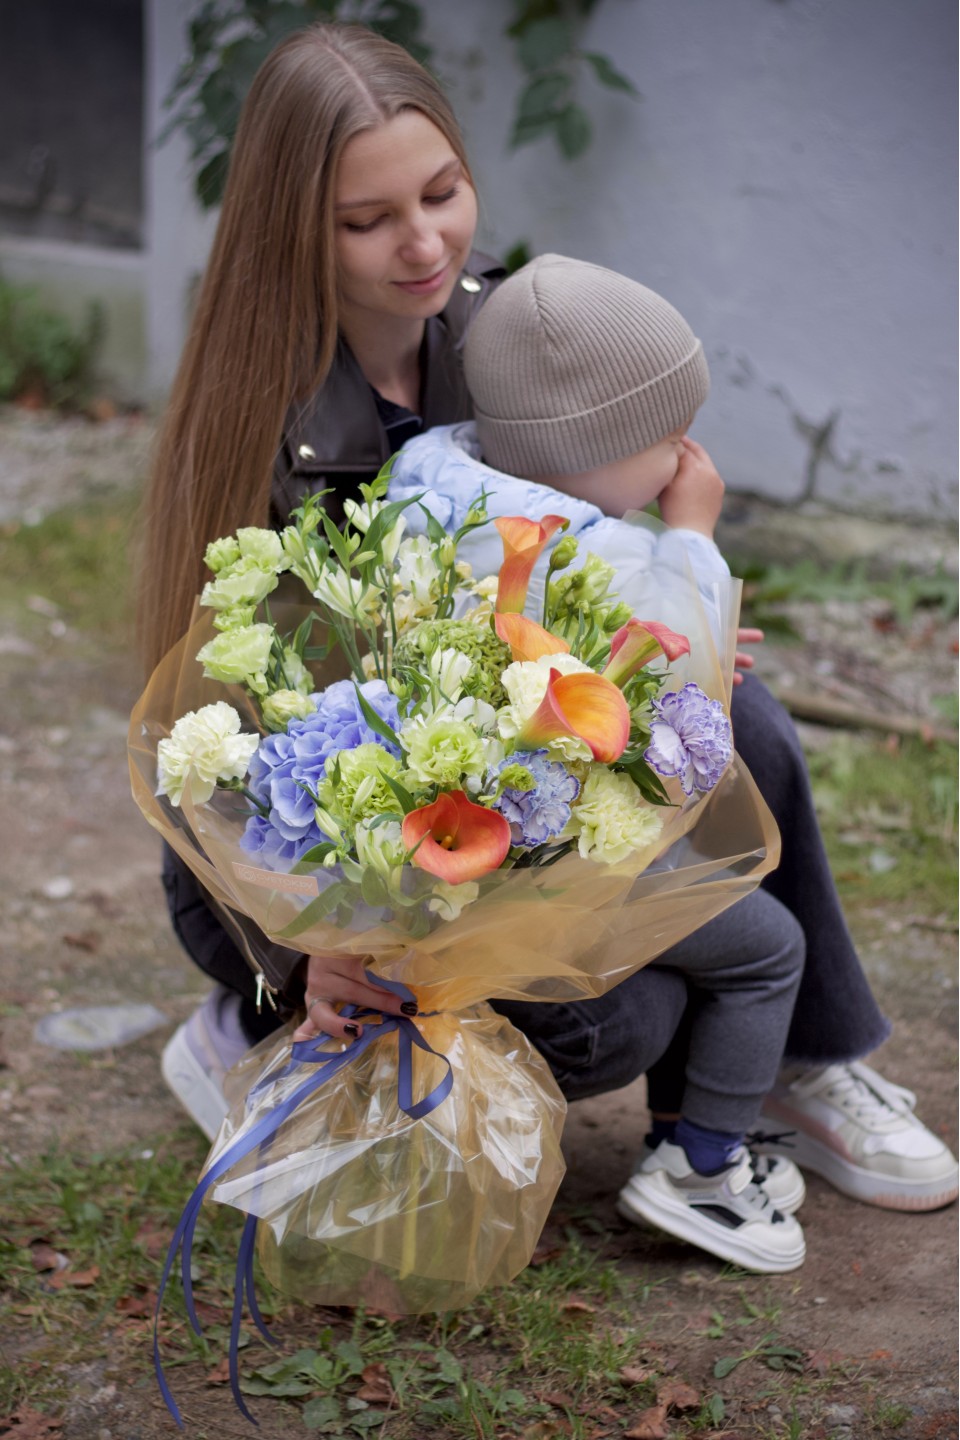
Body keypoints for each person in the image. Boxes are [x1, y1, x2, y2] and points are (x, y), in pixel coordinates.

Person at [137, 22, 954, 1253]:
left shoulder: (513, 334)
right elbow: (233, 745)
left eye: (443, 192)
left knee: (745, 721)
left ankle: (797, 1063)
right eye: (367, 221)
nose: (424, 244)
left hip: (520, 796)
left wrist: (665, 635)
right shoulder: (264, 416)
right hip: (321, 852)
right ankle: (247, 1021)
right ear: (290, 228)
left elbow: (595, 555)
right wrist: (304, 953)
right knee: (617, 1031)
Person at [386, 253, 959, 1220]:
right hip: (558, 866)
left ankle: (699, 1133)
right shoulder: (592, 546)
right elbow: (690, 680)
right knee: (766, 945)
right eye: (666, 435)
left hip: (464, 849)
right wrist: (690, 539)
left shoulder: (431, 480)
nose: (687, 454)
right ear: (589, 453)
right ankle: (702, 1170)